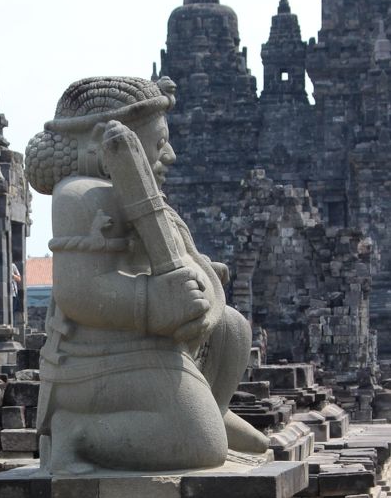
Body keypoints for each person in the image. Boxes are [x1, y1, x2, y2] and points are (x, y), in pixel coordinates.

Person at [25, 76, 268, 474]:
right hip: (95, 357)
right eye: (157, 144)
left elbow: (179, 260)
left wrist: (200, 275)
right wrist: (153, 300)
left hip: (143, 342)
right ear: (108, 142)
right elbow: (79, 291)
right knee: (201, 445)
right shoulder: (80, 196)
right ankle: (76, 433)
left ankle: (205, 405)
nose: (169, 155)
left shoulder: (145, 200)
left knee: (232, 328)